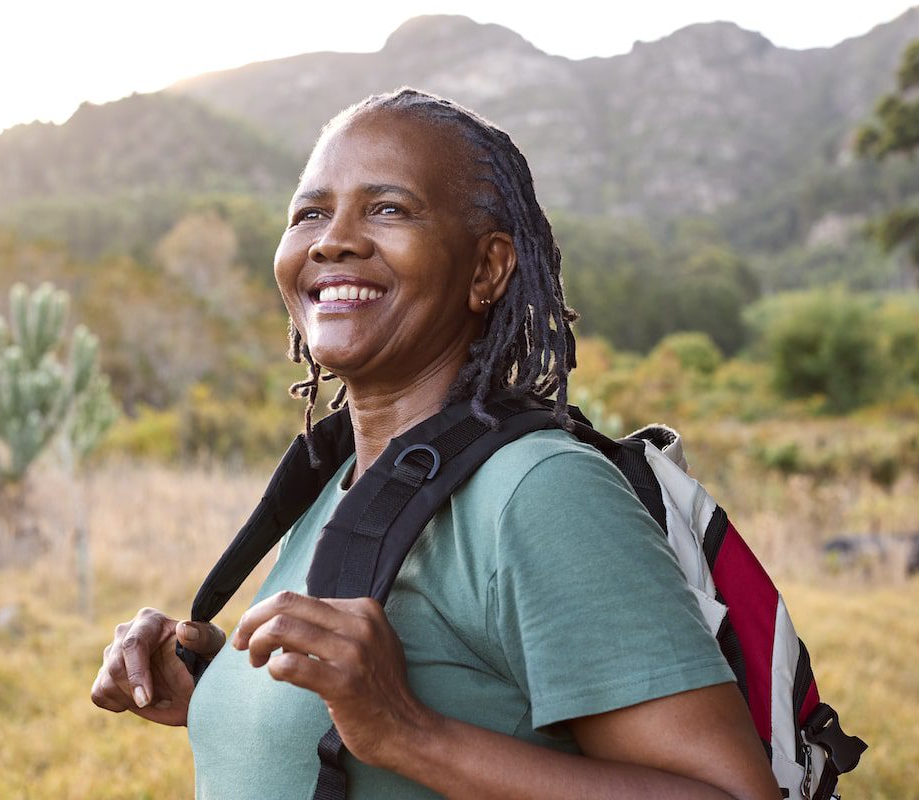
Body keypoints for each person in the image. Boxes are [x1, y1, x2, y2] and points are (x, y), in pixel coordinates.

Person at [91, 87, 782, 799]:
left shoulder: (539, 491)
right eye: (310, 213)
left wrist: (408, 733)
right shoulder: (349, 483)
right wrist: (221, 686)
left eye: (388, 209)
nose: (333, 239)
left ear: (487, 270)